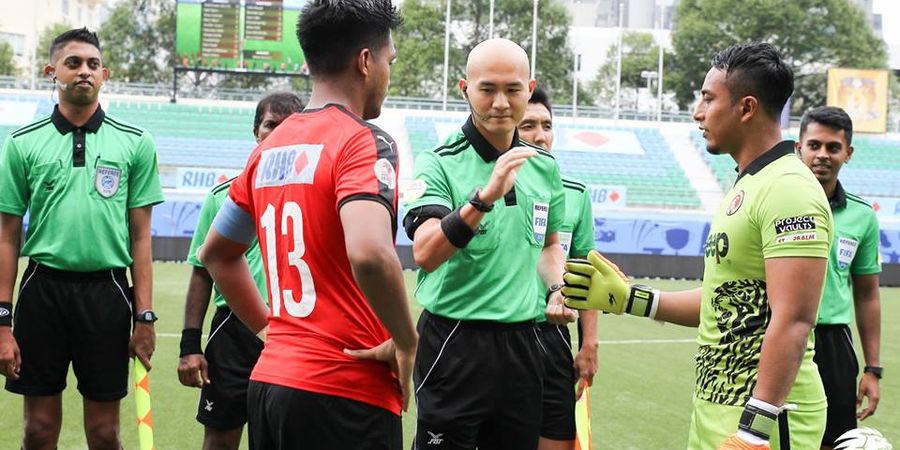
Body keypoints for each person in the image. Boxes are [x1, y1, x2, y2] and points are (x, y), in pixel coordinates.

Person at [562, 42, 833, 450]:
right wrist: (630, 298)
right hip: (719, 407)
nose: (697, 112)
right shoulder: (749, 183)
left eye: (708, 98)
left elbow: (793, 318)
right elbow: (725, 299)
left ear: (746, 108)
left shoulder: (789, 188)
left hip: (767, 420)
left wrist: (754, 429)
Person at [198, 1, 418, 449]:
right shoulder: (364, 141)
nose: (388, 74)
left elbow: (216, 254)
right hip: (346, 392)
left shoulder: (268, 148)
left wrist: (270, 333)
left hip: (272, 384)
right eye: (388, 61)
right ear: (365, 61)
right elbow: (371, 254)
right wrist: (406, 340)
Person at [403, 38, 575, 450]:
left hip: (523, 345)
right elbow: (424, 253)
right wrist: (483, 198)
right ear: (464, 89)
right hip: (454, 342)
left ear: (529, 90)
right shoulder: (438, 161)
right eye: (487, 89)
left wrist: (556, 287)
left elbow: (550, 246)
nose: (501, 102)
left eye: (513, 90)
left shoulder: (545, 167)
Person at [0, 27, 163, 449]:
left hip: (107, 293)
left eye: (93, 64)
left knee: (105, 433)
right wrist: (2, 321)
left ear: (105, 74)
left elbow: (141, 238)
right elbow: (6, 237)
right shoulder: (22, 143)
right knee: (37, 431)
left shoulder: (135, 142)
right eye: (73, 63)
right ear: (52, 71)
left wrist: (144, 317)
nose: (84, 72)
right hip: (42, 291)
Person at [177, 92, 304, 450]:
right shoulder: (223, 198)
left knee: (287, 436)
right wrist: (190, 344)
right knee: (220, 438)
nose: (279, 134)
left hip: (295, 328)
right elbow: (203, 273)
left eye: (290, 125)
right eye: (270, 126)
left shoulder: (315, 195)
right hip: (233, 333)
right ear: (256, 131)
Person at [795, 106, 882, 450]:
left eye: (833, 147)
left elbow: (867, 295)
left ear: (848, 152)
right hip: (776, 334)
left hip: (832, 344)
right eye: (814, 145)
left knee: (834, 441)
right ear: (798, 147)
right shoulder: (775, 202)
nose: (822, 155)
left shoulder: (862, 216)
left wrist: (873, 368)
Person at [517, 87, 598, 450]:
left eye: (546, 126)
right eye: (528, 126)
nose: (540, 136)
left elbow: (585, 271)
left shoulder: (575, 194)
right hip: (500, 334)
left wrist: (589, 344)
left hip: (552, 337)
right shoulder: (488, 189)